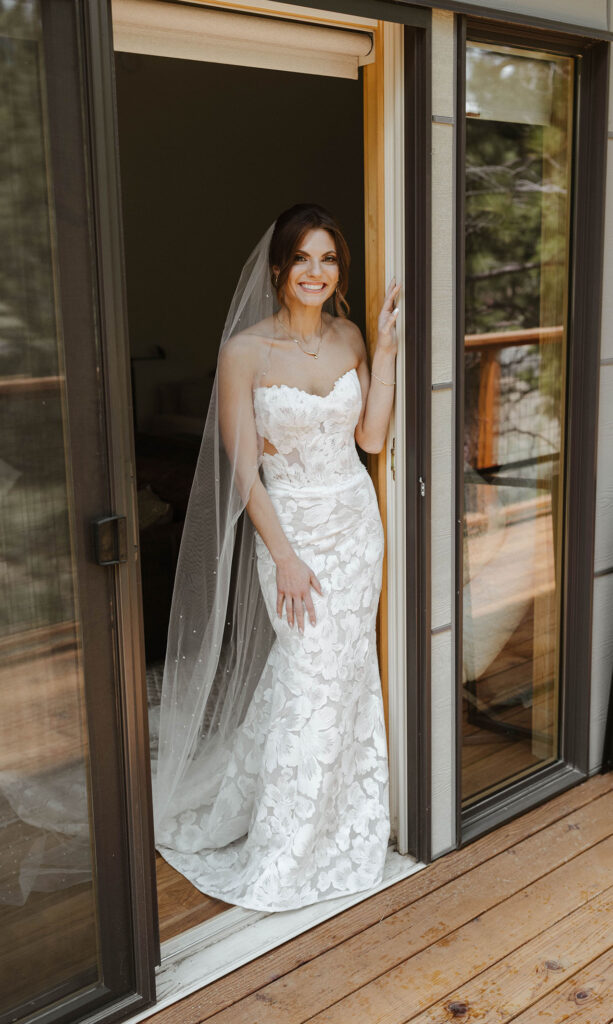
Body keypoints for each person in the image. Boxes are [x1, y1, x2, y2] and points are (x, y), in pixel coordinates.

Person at [153, 204, 400, 912]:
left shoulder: (349, 335)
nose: (316, 273)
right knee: (307, 675)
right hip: (289, 531)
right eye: (303, 260)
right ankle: (288, 848)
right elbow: (241, 473)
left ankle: (342, 825)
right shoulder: (245, 352)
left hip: (355, 526)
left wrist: (382, 356)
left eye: (328, 260)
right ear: (277, 269)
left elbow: (373, 441)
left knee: (343, 677)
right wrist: (283, 557)